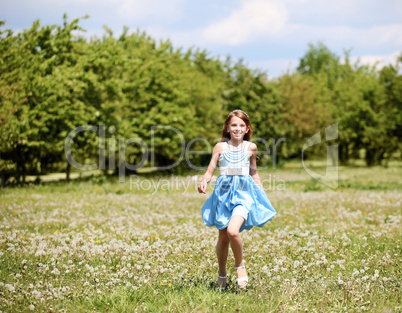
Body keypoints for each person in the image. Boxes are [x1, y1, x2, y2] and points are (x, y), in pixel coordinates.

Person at [197, 109, 277, 290]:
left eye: (242, 125)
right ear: (227, 127)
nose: (237, 128)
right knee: (224, 237)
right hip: (223, 195)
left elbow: (253, 172)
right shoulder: (220, 148)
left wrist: (261, 193)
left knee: (233, 231)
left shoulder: (251, 147)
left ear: (247, 128)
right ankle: (222, 276)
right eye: (234, 125)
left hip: (244, 194)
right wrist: (204, 182)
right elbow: (210, 171)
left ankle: (240, 267)